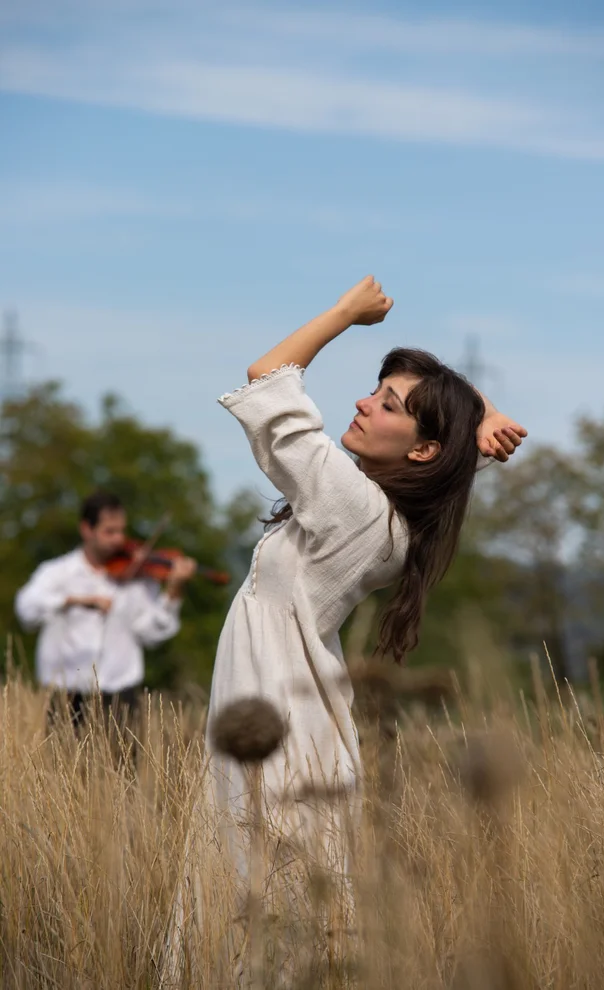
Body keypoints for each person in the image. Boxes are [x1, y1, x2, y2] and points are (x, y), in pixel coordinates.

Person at [175, 275, 527, 944]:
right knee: (259, 910)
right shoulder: (386, 517)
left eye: (388, 403)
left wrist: (344, 313)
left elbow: (267, 376)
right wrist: (481, 408)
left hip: (277, 730)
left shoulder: (352, 507)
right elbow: (438, 421)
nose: (365, 403)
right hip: (285, 721)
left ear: (422, 449)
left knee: (253, 914)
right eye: (375, 389)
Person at [15, 490, 196, 730]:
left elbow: (153, 634)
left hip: (121, 697)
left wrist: (174, 591)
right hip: (66, 696)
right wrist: (74, 601)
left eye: (121, 530)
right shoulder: (58, 572)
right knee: (58, 765)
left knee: (121, 765)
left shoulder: (139, 579)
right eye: (109, 531)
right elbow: (26, 608)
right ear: (87, 530)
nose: (119, 539)